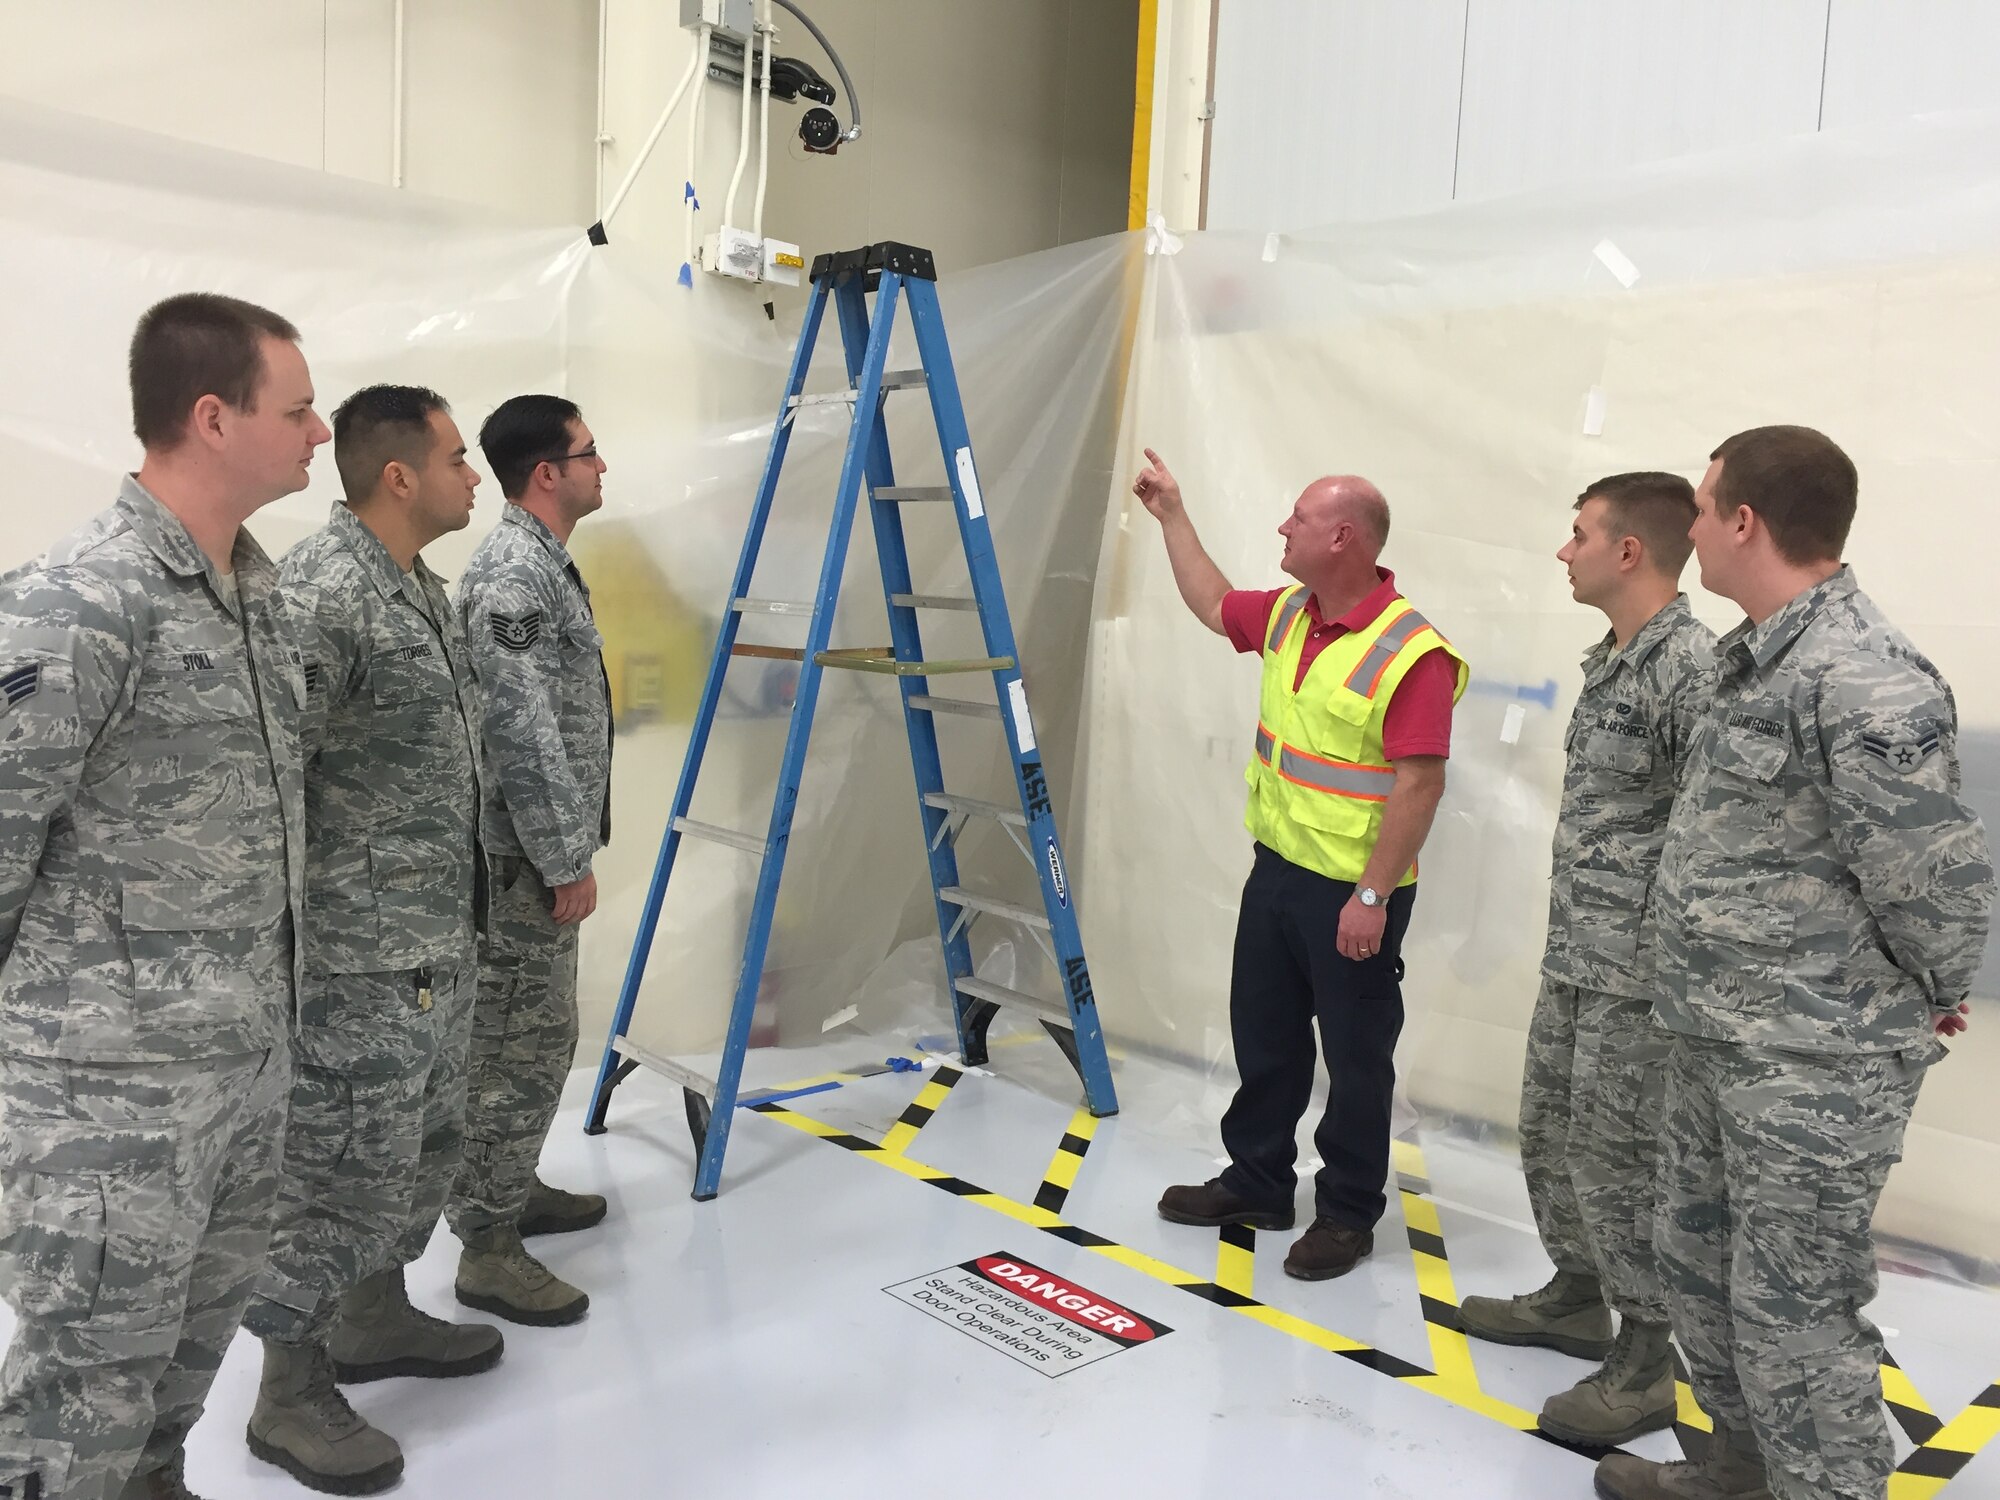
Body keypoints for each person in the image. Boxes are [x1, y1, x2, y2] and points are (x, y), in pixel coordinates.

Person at [1595, 427, 1994, 1500]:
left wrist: (1923, 993)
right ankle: (1734, 1472)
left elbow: (1935, 887)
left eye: (1702, 500)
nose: (1686, 524)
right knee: (1698, 1278)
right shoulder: (1748, 656)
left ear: (1741, 522)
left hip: (1810, 1066)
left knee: (1795, 1314)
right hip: (1711, 1037)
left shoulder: (1863, 676)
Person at [0, 294, 323, 1500]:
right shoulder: (78, 601)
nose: (320, 431)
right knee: (75, 1410)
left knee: (175, 1384)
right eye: (295, 411)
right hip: (108, 1109)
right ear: (211, 417)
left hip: (239, 1078)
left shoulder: (258, 599)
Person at [241, 386, 502, 1493]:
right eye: (456, 458)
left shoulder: (418, 590)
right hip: (357, 962)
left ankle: (373, 1315)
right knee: (338, 1174)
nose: (473, 476)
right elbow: (266, 781)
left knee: (417, 1153)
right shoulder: (325, 596)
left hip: (433, 944)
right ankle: (287, 1392)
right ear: (399, 476)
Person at [1137, 449, 1467, 1280]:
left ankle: (1349, 1213)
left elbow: (1419, 786)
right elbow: (1213, 603)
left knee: (1357, 1059)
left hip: (1354, 893)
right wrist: (1173, 513)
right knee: (1267, 1035)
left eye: (1299, 519)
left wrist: (1371, 897)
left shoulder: (1412, 652)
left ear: (1343, 538)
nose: (1283, 528)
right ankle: (1258, 1181)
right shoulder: (1291, 614)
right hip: (1278, 870)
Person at [1456, 473, 1714, 1447]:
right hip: (1581, 956)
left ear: (1626, 551)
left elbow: (1709, 835)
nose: (1561, 552)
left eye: (1576, 536)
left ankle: (1646, 1362)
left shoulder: (1687, 668)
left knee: (1621, 1163)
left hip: (1639, 979)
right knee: (1552, 1136)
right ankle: (1574, 1296)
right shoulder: (1613, 659)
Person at [446, 394, 613, 1325]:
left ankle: (510, 1190)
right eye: (589, 454)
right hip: (521, 866)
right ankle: (487, 1245)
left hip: (534, 857)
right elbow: (521, 732)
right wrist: (561, 860)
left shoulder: (545, 565)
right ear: (546, 473)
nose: (601, 468)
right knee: (516, 1043)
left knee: (536, 1038)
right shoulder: (515, 574)